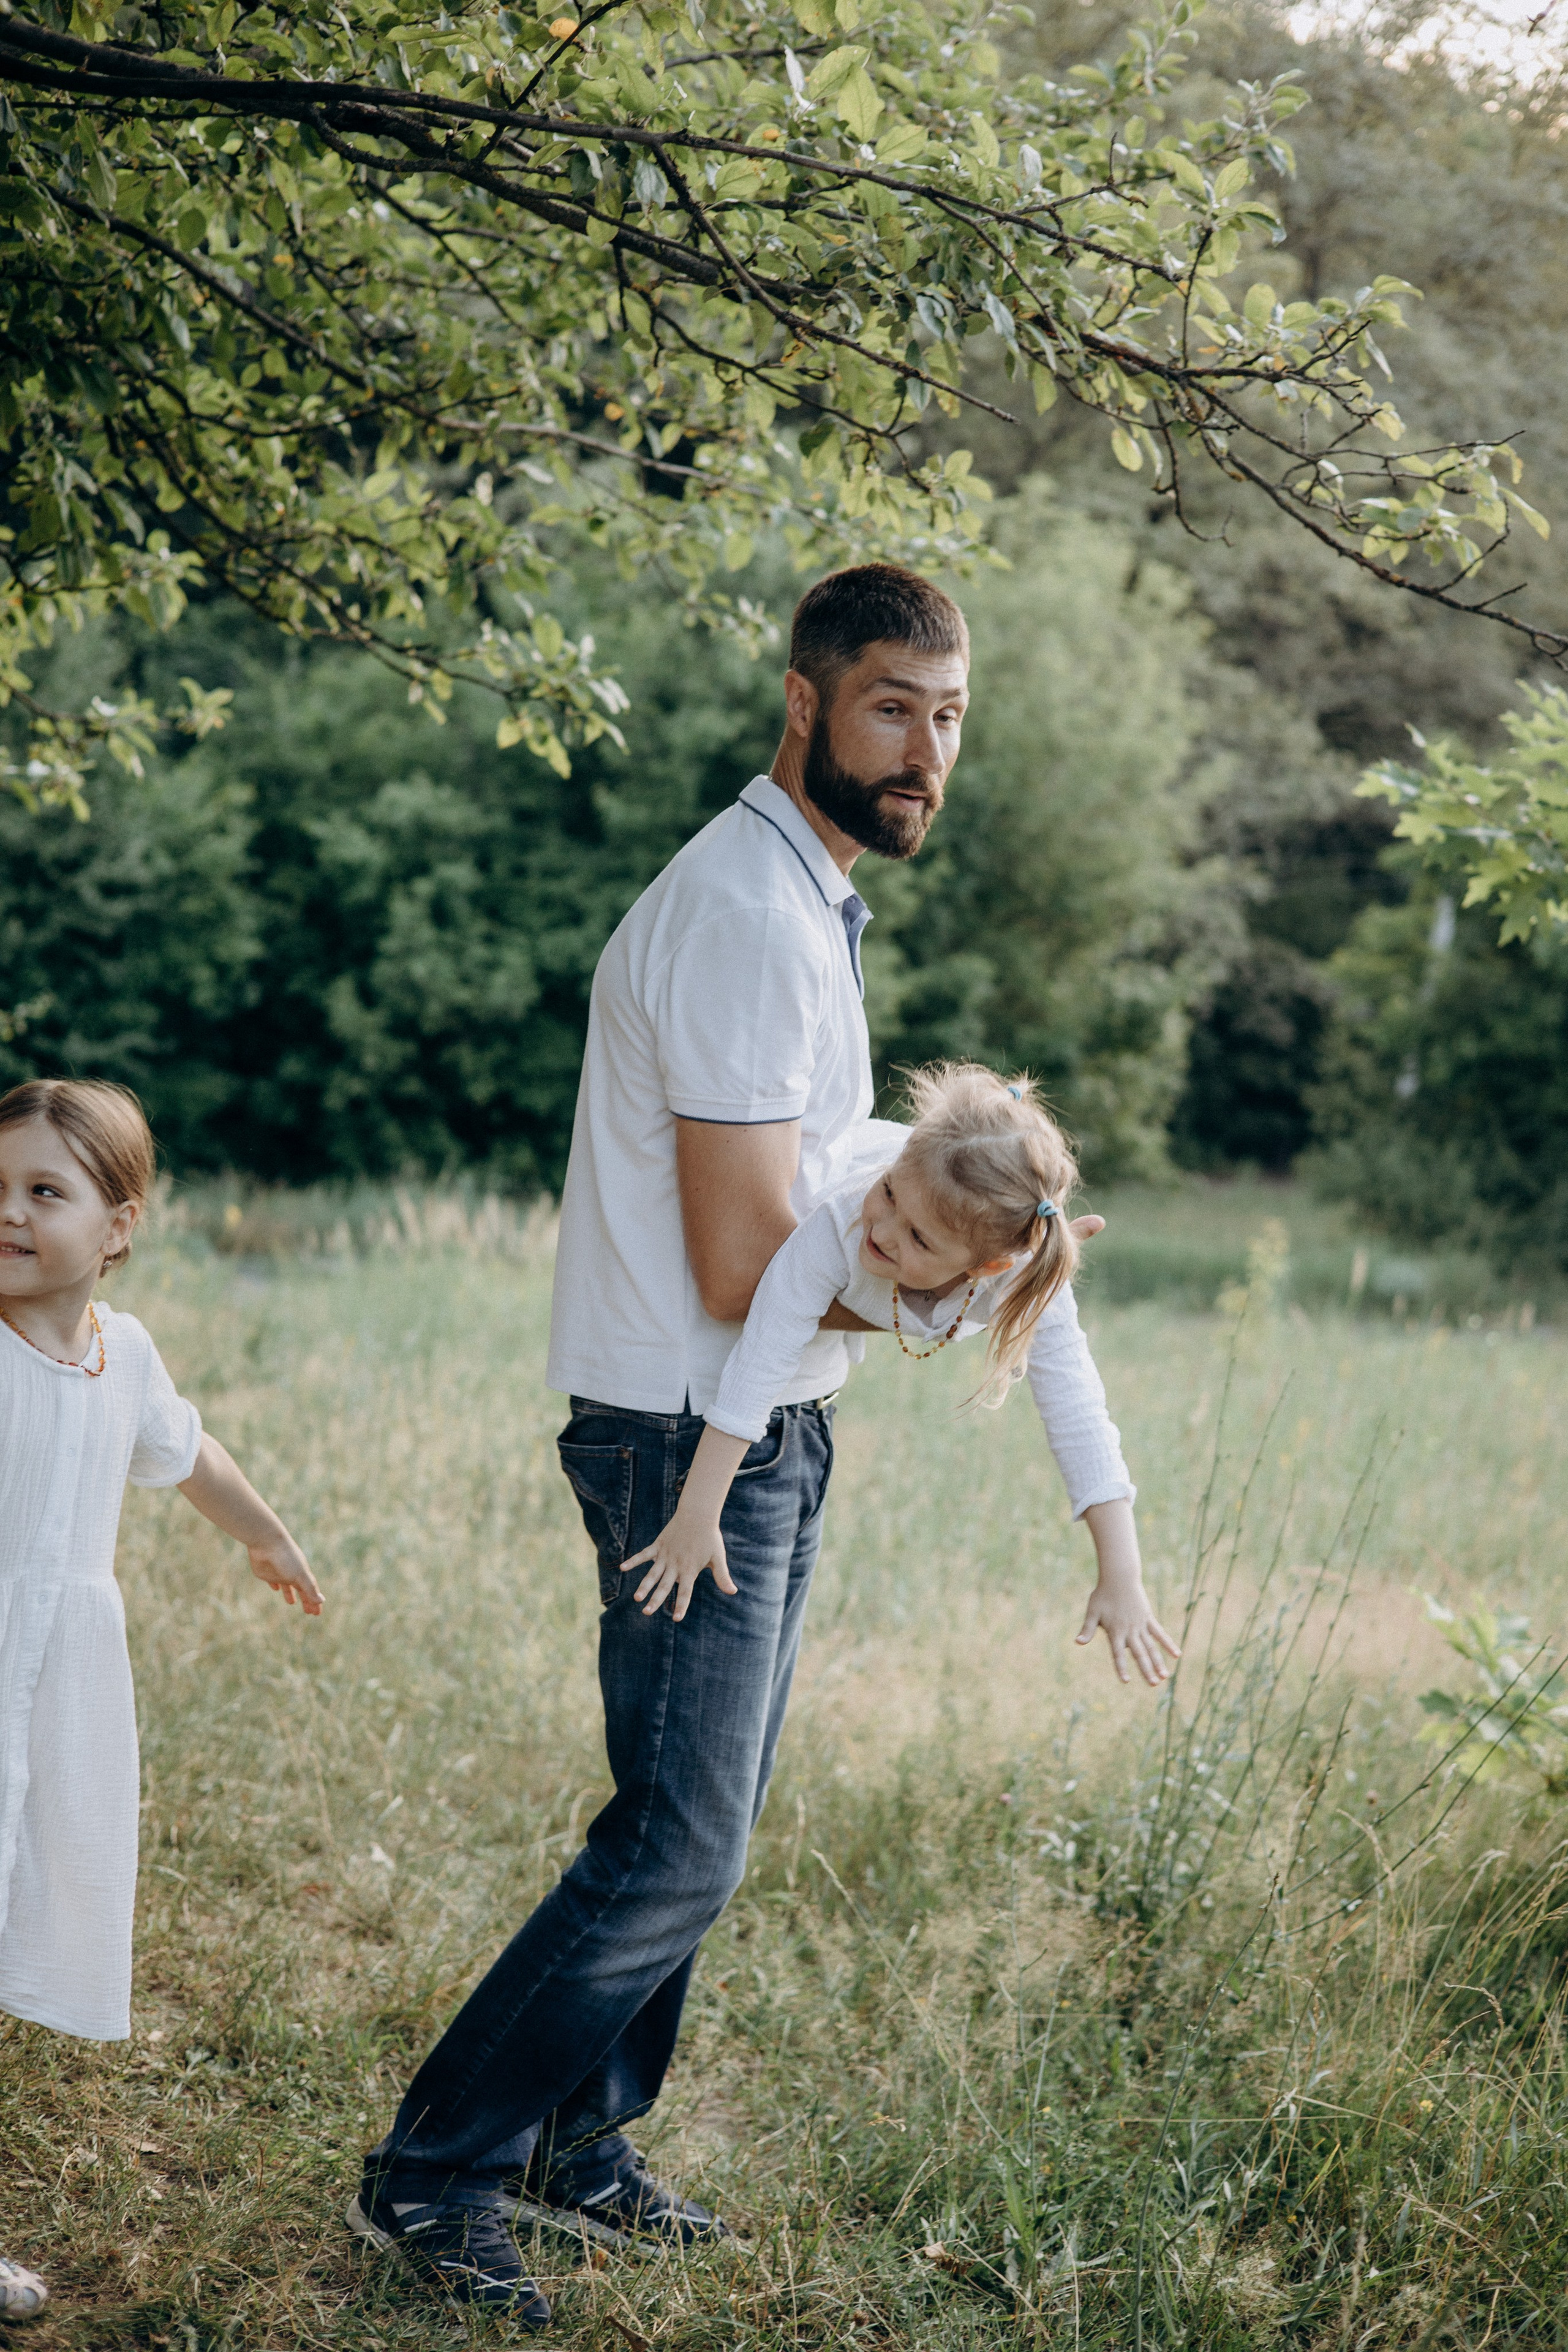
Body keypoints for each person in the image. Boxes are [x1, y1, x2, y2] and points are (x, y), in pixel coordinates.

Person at [350, 562, 1135, 2324]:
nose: (924, 750)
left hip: (758, 1426)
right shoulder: (745, 918)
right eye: (889, 709)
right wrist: (950, 1303)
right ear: (804, 704)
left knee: (696, 1816)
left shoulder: (810, 905)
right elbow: (737, 1258)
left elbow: (813, 1203)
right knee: (682, 1843)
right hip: (676, 1433)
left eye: (946, 718)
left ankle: (578, 2141)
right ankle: (436, 2171)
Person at [0, 1079, 322, 2318]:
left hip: (54, 1691)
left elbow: (184, 1448)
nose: (12, 1214)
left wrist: (267, 1533)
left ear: (119, 1225)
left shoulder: (120, 1353)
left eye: (44, 1191)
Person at [626, 1063, 1177, 1684]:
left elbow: (1078, 1411)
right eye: (888, 1192)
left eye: (917, 1237)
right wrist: (698, 1514)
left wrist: (1121, 1575)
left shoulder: (1017, 1273)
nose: (881, 1228)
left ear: (988, 1266)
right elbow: (758, 1366)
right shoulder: (838, 1225)